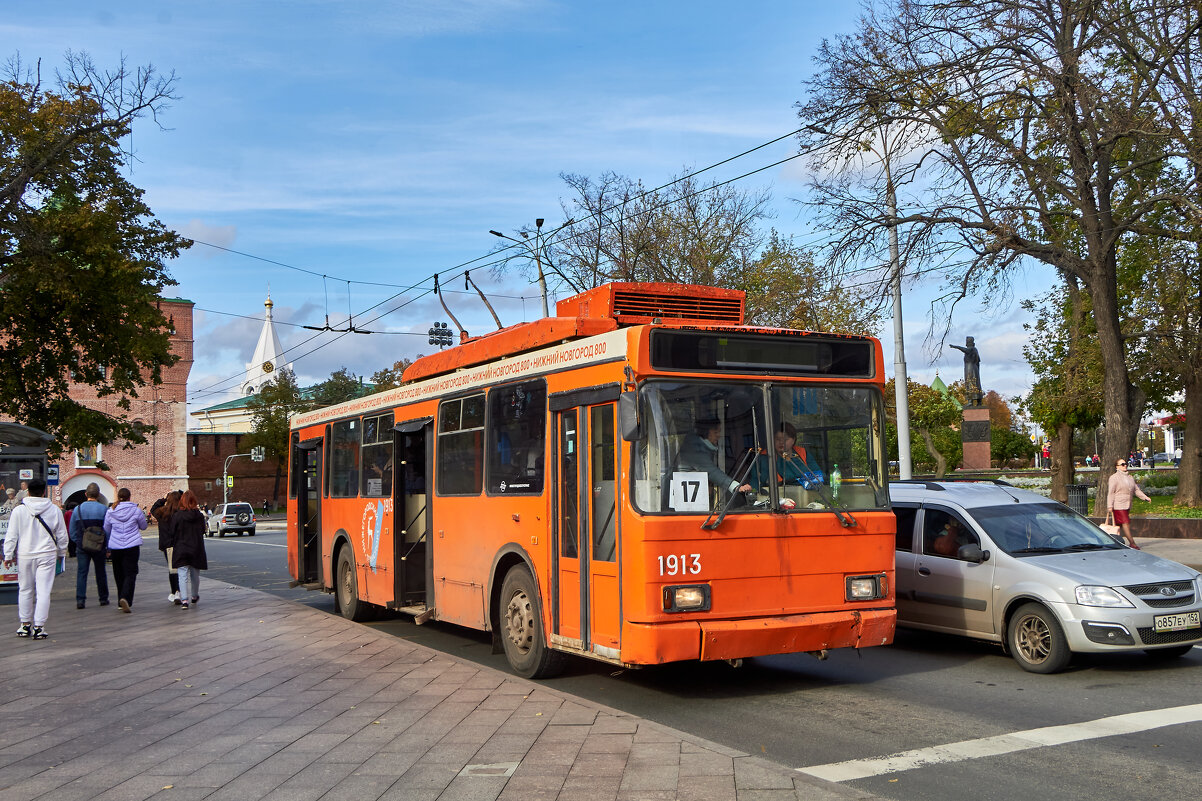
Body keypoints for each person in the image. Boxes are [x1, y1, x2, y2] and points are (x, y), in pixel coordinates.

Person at [2, 479, 68, 640]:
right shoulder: (54, 510)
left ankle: (25, 625)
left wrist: (8, 555)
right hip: (47, 554)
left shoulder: (19, 511)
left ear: (28, 492)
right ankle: (39, 626)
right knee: (43, 591)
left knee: (25, 589)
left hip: (25, 554)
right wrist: (61, 553)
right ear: (44, 492)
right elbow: (62, 535)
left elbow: (11, 535)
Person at [676, 419, 753, 497]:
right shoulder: (695, 449)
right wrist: (735, 486)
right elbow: (712, 472)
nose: (719, 435)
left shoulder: (702, 446)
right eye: (716, 432)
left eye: (719, 432)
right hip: (687, 497)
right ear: (706, 432)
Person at [103, 487, 148, 613]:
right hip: (132, 545)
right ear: (129, 497)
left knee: (118, 573)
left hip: (116, 546)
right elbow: (143, 526)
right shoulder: (136, 510)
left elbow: (106, 528)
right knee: (131, 573)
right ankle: (126, 598)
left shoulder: (111, 511)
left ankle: (119, 600)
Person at [68, 483, 111, 609]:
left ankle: (80, 600)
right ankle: (103, 598)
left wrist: (79, 542)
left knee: (82, 573)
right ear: (98, 495)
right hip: (99, 545)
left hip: (83, 546)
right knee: (101, 572)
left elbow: (72, 531)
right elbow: (107, 530)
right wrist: (107, 546)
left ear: (86, 494)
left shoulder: (78, 509)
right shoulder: (104, 509)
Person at [170, 490, 208, 608]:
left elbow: (172, 532)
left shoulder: (177, 516)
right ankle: (194, 596)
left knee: (182, 575)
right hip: (196, 548)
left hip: (181, 548)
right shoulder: (199, 516)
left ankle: (184, 600)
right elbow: (203, 530)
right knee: (195, 575)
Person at [1107, 459, 1150, 549]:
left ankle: (1111, 542)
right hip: (1118, 505)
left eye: (1125, 464)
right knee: (1125, 522)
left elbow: (1136, 490)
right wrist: (1110, 505)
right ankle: (1132, 543)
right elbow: (1111, 492)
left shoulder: (1130, 477)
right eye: (1122, 464)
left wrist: (1145, 497)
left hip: (1127, 504)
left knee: (1118, 525)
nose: (1125, 465)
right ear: (1117, 467)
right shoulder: (1114, 478)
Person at [153, 491, 183, 604]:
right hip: (179, 543)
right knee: (180, 568)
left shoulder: (162, 513)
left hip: (167, 544)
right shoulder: (180, 512)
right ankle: (178, 591)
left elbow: (153, 509)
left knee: (172, 569)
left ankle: (175, 591)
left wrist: (163, 499)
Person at [949, 336, 982, 405]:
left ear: (968, 343)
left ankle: (971, 401)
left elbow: (965, 350)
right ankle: (979, 401)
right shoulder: (975, 349)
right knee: (976, 383)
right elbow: (978, 361)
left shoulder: (972, 349)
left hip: (970, 368)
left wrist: (955, 346)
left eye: (967, 342)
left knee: (970, 383)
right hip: (974, 368)